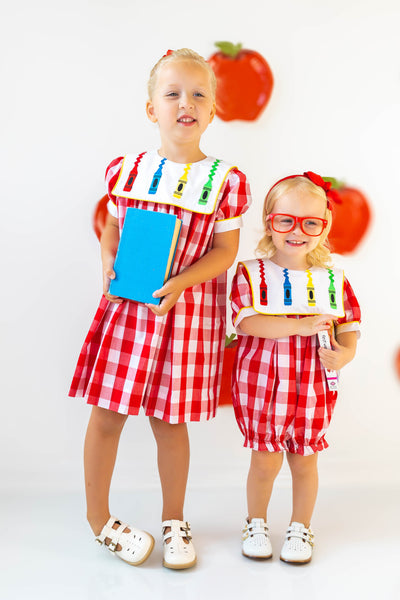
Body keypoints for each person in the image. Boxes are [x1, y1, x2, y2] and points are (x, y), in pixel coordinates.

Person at [69, 48, 251, 570]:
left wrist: (180, 283)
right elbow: (111, 223)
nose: (185, 103)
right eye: (172, 93)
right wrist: (107, 256)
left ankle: (175, 520)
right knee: (106, 416)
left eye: (198, 94)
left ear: (213, 110)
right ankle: (98, 520)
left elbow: (224, 252)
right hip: (129, 313)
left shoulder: (225, 181)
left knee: (170, 423)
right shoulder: (128, 170)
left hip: (186, 317)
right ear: (151, 109)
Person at [230, 171, 360, 564]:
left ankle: (300, 527)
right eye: (285, 220)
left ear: (324, 226)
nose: (296, 231)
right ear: (270, 222)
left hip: (312, 387)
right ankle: (255, 523)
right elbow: (249, 322)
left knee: (305, 461)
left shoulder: (333, 279)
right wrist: (301, 325)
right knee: (265, 460)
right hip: (262, 385)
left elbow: (350, 326)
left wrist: (346, 354)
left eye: (310, 223)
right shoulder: (251, 273)